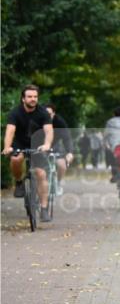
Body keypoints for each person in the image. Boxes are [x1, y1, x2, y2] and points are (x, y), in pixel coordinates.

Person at [3, 84, 54, 220]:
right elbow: (10, 131)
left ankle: (43, 209)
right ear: (23, 99)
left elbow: (49, 131)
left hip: (38, 144)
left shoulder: (43, 112)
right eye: (30, 96)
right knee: (15, 159)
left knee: (40, 173)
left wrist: (47, 144)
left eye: (35, 97)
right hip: (19, 143)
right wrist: (7, 147)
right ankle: (19, 182)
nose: (33, 99)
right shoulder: (15, 113)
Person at [44, 103, 74, 195]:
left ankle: (58, 182)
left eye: (49, 114)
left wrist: (69, 152)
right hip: (40, 145)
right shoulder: (37, 121)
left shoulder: (59, 122)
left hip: (54, 145)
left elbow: (67, 138)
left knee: (61, 165)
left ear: (54, 114)